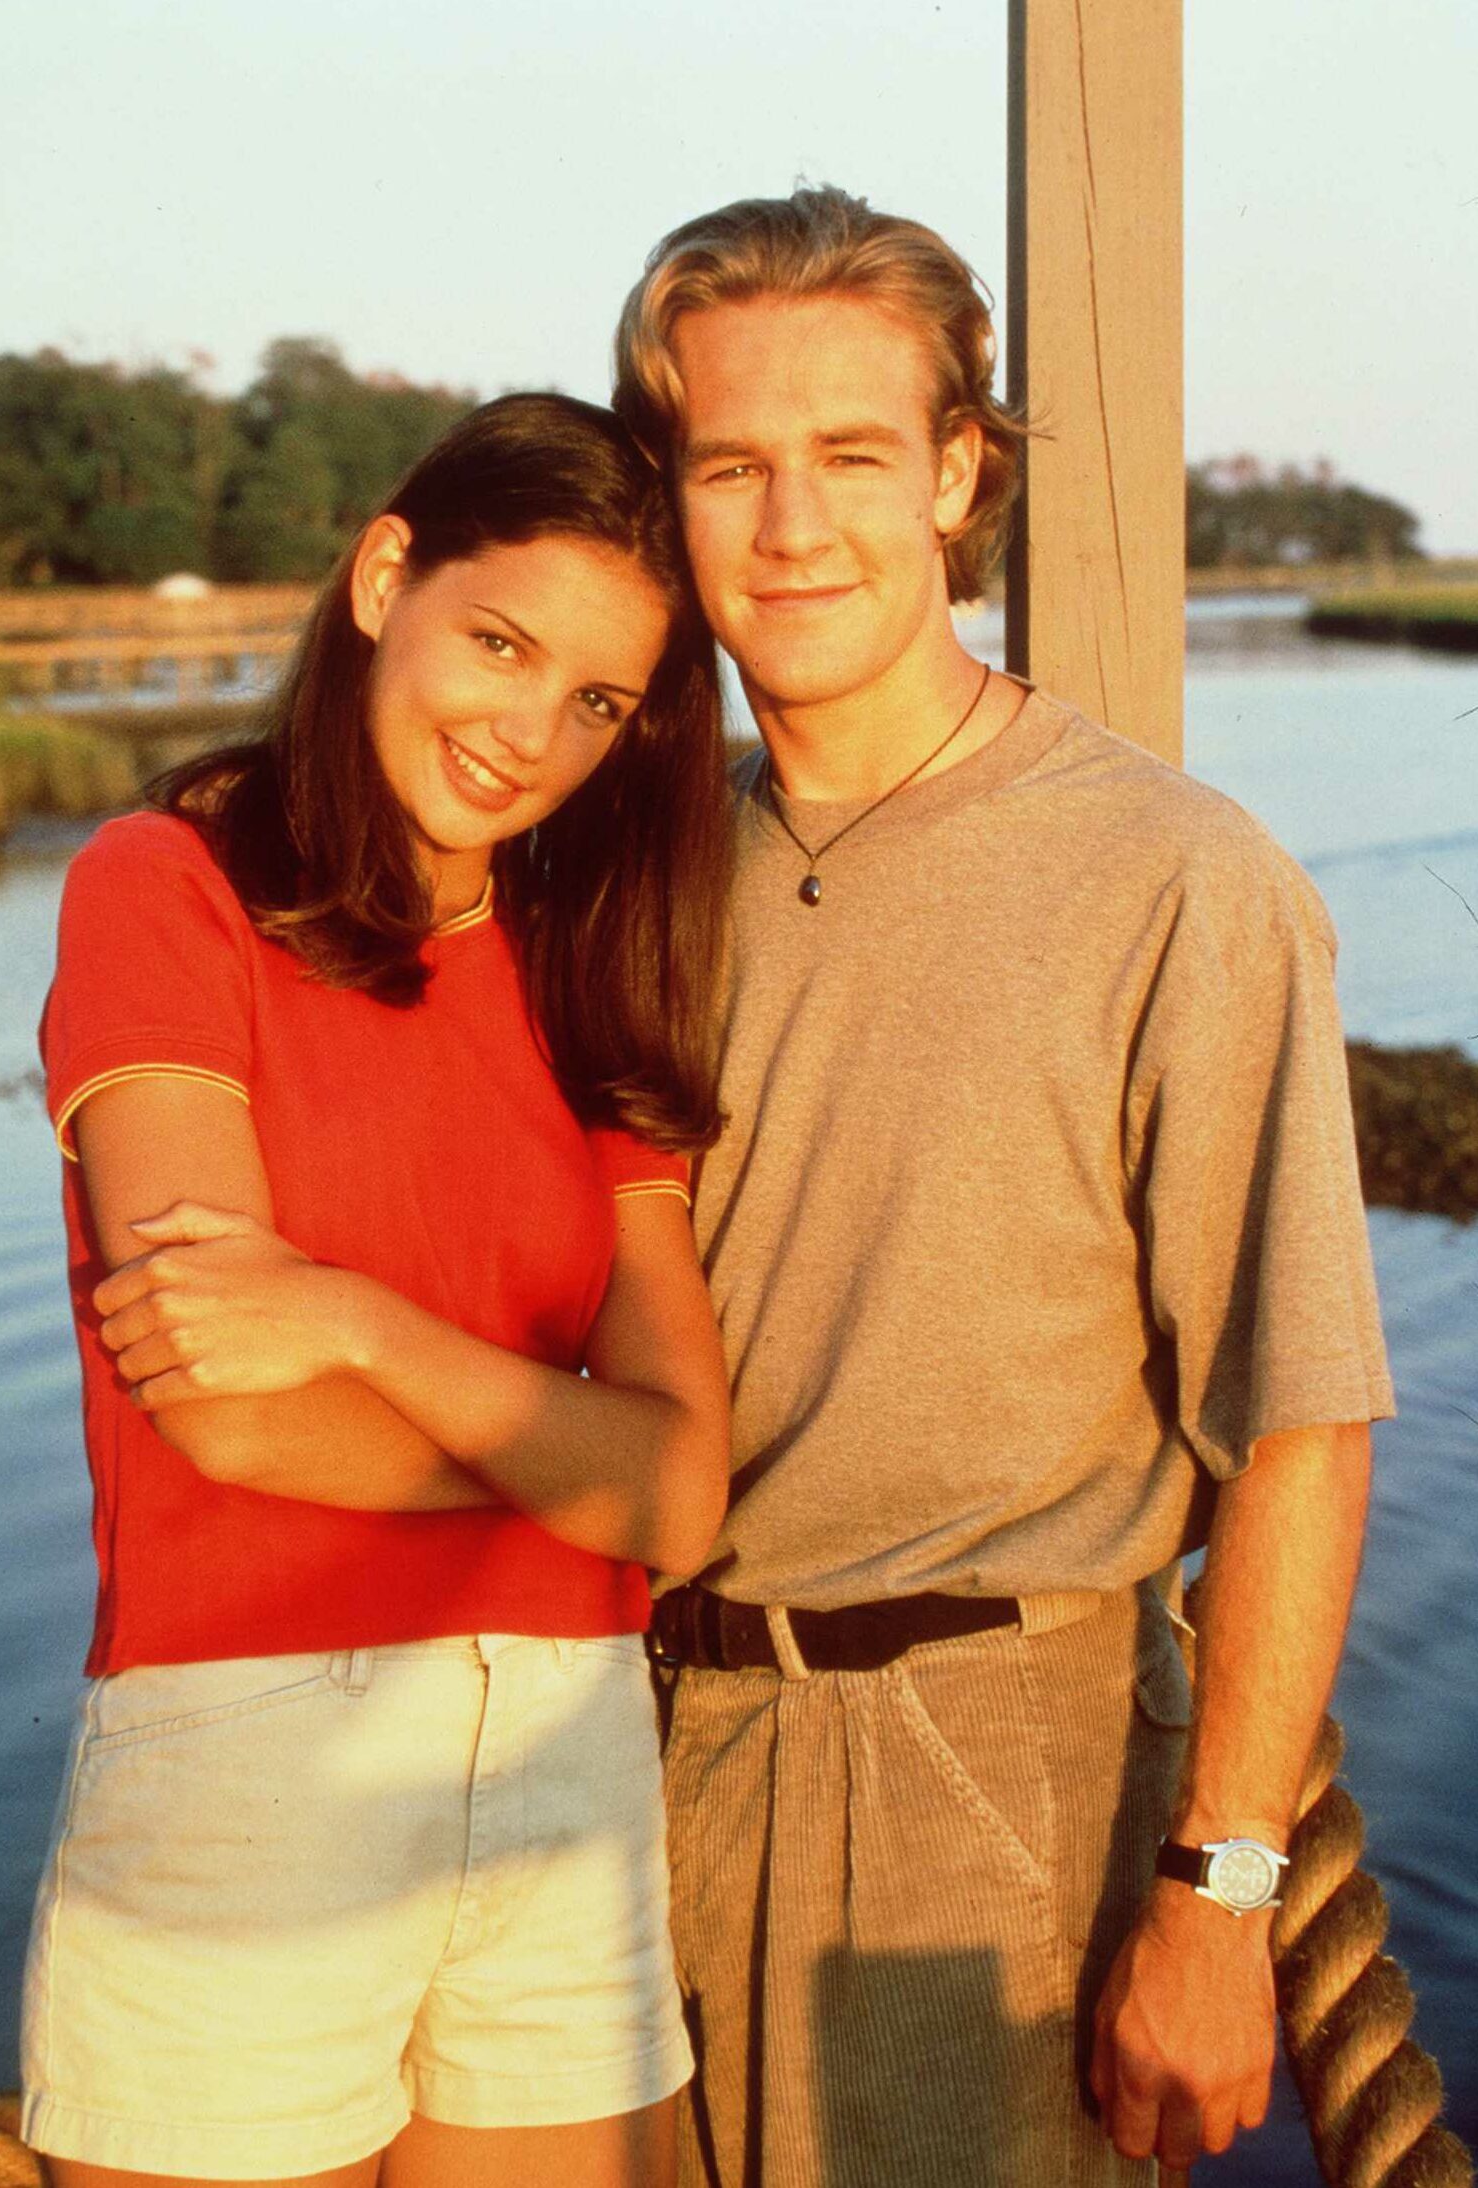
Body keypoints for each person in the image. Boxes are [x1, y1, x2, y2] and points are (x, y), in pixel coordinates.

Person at [611, 186, 1393, 2187]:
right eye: (732, 466)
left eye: (855, 458)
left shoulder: (1171, 877)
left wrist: (1220, 1893)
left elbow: (1299, 1419)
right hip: (630, 1751)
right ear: (668, 498)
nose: (794, 529)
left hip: (980, 1773)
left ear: (960, 472)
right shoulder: (638, 871)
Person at [20, 393, 734, 2188]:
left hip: (571, 1774)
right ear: (384, 573)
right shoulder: (165, 890)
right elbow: (234, 1412)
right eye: (498, 643)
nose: (525, 735)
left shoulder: (589, 976)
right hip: (255, 1761)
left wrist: (361, 1325)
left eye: (591, 701)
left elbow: (689, 1498)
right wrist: (582, 1462)